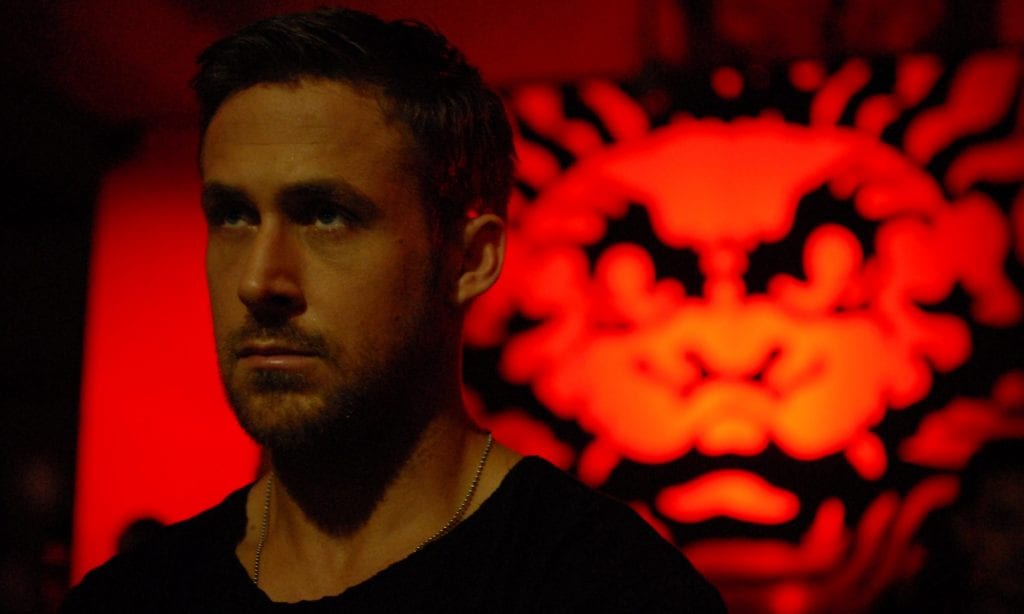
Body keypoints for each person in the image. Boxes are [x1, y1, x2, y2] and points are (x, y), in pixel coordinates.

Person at [61, 8, 725, 612]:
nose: (259, 281)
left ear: (470, 260)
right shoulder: (130, 599)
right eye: (233, 216)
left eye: (326, 216)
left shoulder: (609, 588)